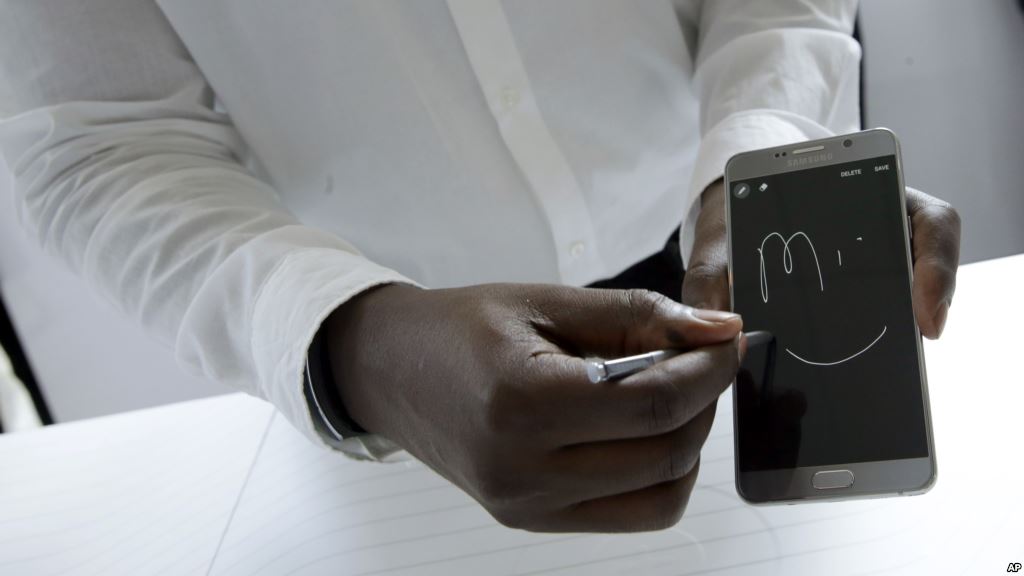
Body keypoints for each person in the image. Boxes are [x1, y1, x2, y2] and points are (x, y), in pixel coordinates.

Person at [0, 0, 960, 533]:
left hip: (724, 259)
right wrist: (351, 342)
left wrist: (765, 148)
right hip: (398, 384)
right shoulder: (372, 362)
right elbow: (96, 140)